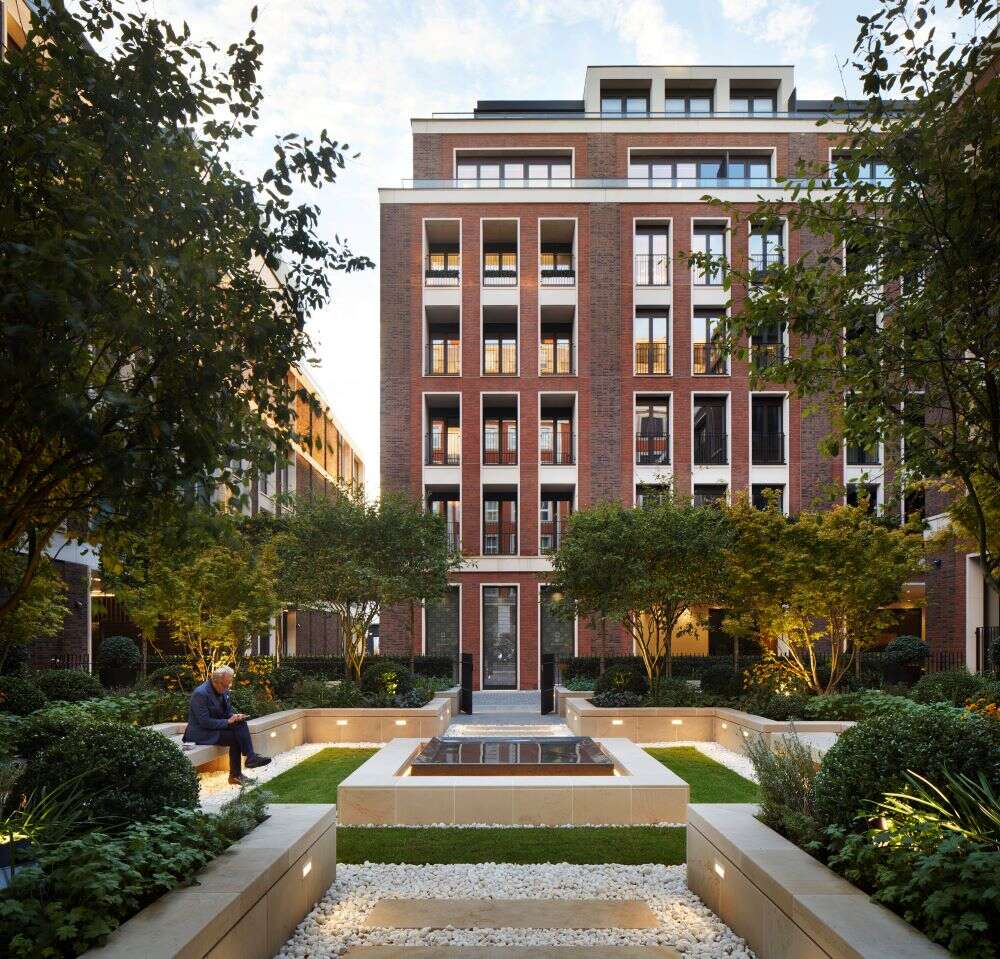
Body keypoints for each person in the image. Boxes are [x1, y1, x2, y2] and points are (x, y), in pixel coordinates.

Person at [183, 665, 271, 785]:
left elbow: (226, 712)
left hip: (216, 727)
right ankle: (236, 775)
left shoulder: (223, 690)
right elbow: (204, 722)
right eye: (225, 685)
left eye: (229, 684)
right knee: (236, 738)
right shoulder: (200, 694)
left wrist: (234, 717)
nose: (227, 688)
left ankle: (249, 759)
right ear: (216, 681)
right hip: (201, 733)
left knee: (241, 723)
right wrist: (227, 722)